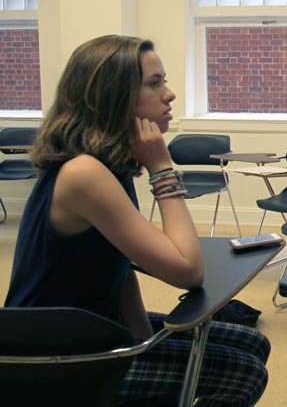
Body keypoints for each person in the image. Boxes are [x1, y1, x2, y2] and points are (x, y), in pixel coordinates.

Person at [4, 35, 270, 406]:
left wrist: (143, 340)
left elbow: (119, 265)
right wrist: (162, 168)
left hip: (90, 329)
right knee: (243, 372)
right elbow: (187, 270)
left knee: (251, 342)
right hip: (52, 356)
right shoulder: (85, 173)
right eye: (154, 83)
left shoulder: (106, 163)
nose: (169, 94)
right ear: (114, 96)